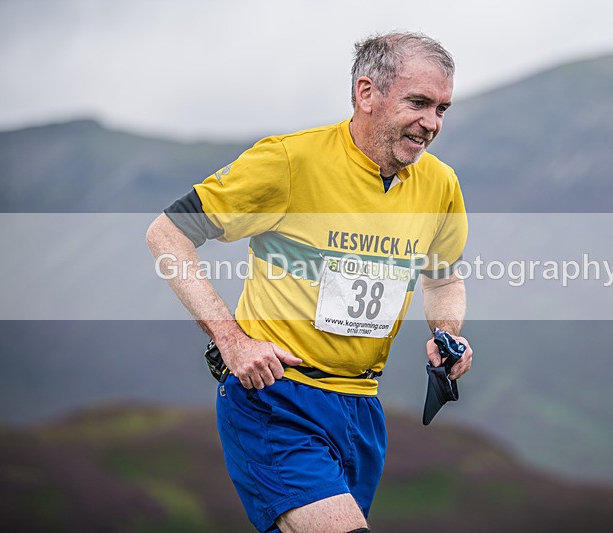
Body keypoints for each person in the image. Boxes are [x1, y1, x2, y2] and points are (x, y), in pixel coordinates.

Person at [146, 31, 473, 533]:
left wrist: (447, 333)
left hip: (362, 409)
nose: (431, 123)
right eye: (419, 103)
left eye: (442, 109)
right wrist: (231, 340)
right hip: (276, 400)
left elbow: (443, 279)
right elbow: (166, 235)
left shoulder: (440, 184)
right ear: (366, 93)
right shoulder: (289, 161)